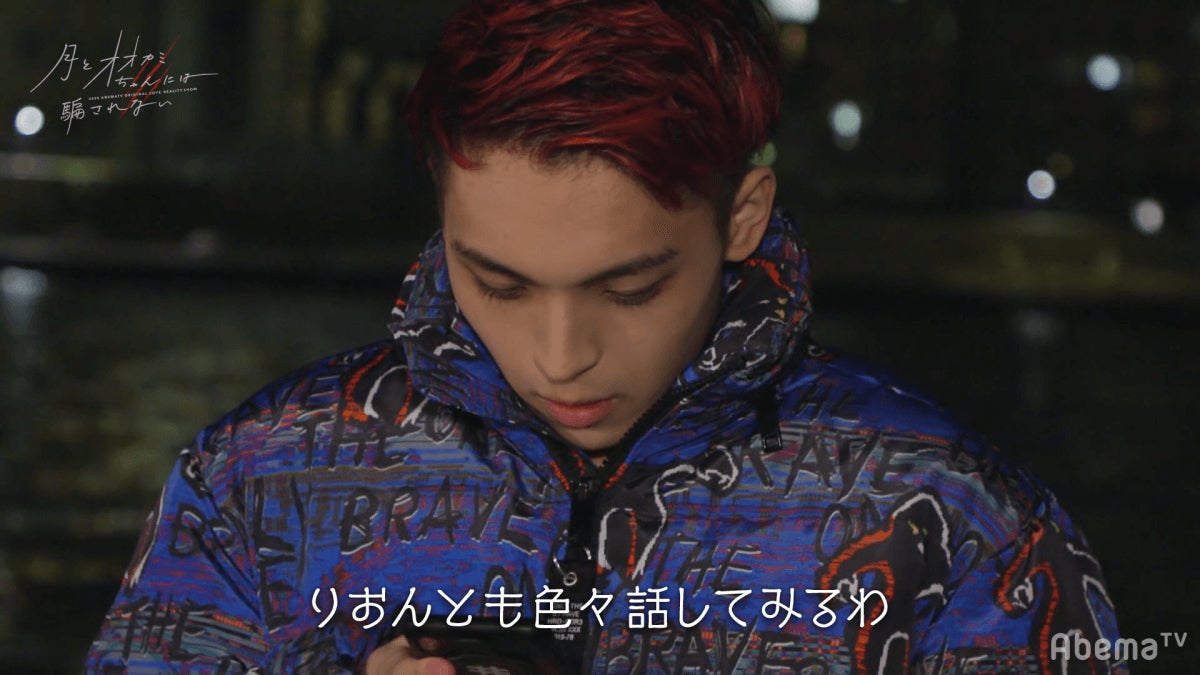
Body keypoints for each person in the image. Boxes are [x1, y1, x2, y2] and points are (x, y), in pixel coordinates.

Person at [88, 1, 1126, 673]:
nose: (559, 356)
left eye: (630, 288)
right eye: (496, 281)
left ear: (742, 217)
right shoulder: (249, 481)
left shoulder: (963, 522)